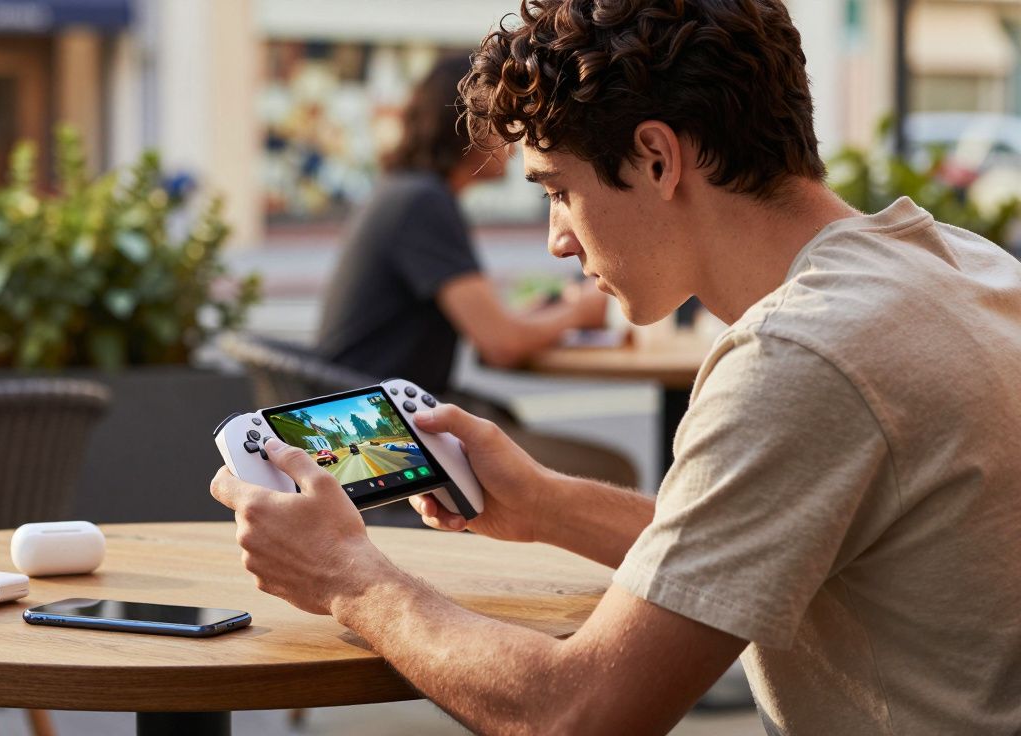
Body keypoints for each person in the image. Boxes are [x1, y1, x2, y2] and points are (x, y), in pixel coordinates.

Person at [212, 1, 1021, 733]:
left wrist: (351, 579)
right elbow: (748, 545)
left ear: (657, 158)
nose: (558, 240)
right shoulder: (962, 264)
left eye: (557, 190)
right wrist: (545, 504)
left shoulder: (799, 356)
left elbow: (576, 712)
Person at [316, 55, 607, 394]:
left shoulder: (407, 190)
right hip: (381, 418)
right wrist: (582, 312)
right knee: (525, 426)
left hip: (370, 405)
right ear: (468, 124)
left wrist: (538, 314)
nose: (513, 141)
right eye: (504, 121)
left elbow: (494, 328)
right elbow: (501, 345)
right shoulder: (422, 202)